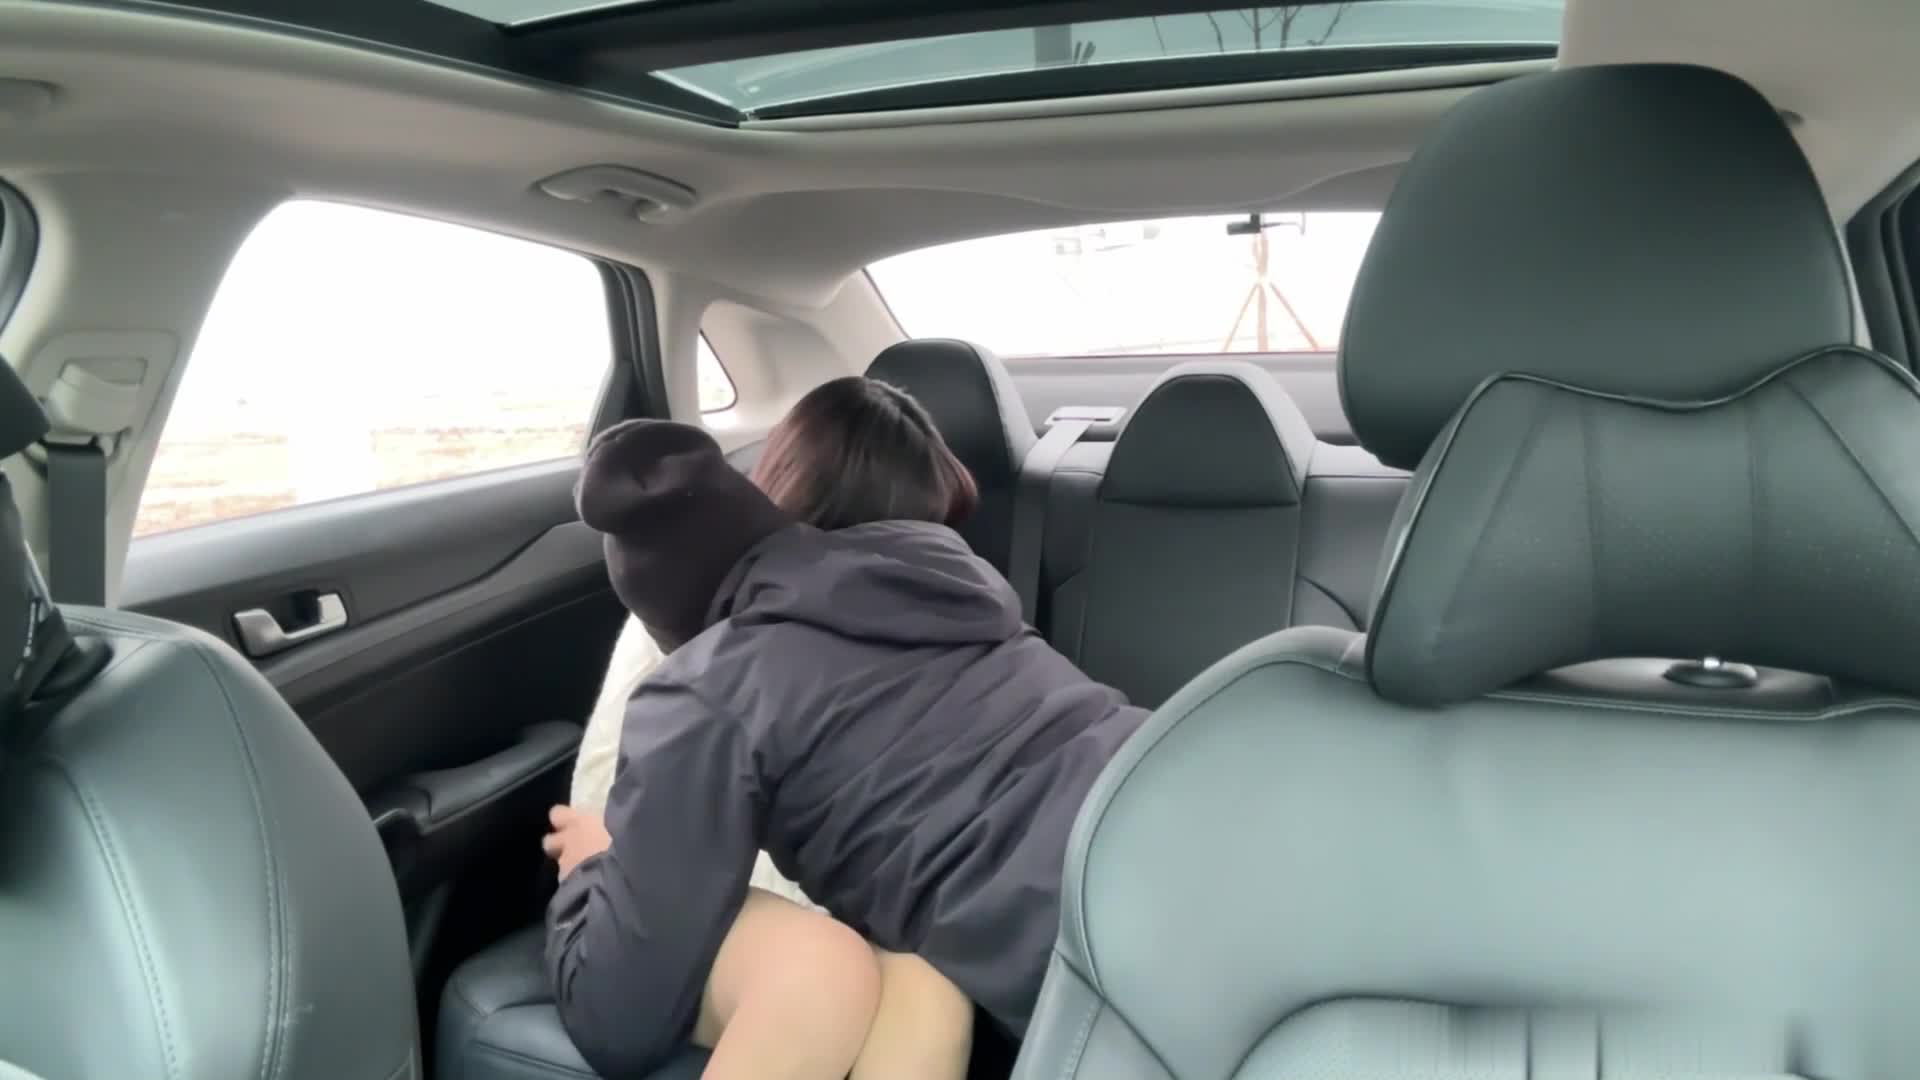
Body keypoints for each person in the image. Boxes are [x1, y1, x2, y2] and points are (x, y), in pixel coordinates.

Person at [544, 376, 1148, 1079]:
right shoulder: (985, 610)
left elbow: (619, 1013)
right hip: (1190, 805)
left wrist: (592, 866)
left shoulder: (713, 682)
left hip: (1124, 953)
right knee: (919, 983)